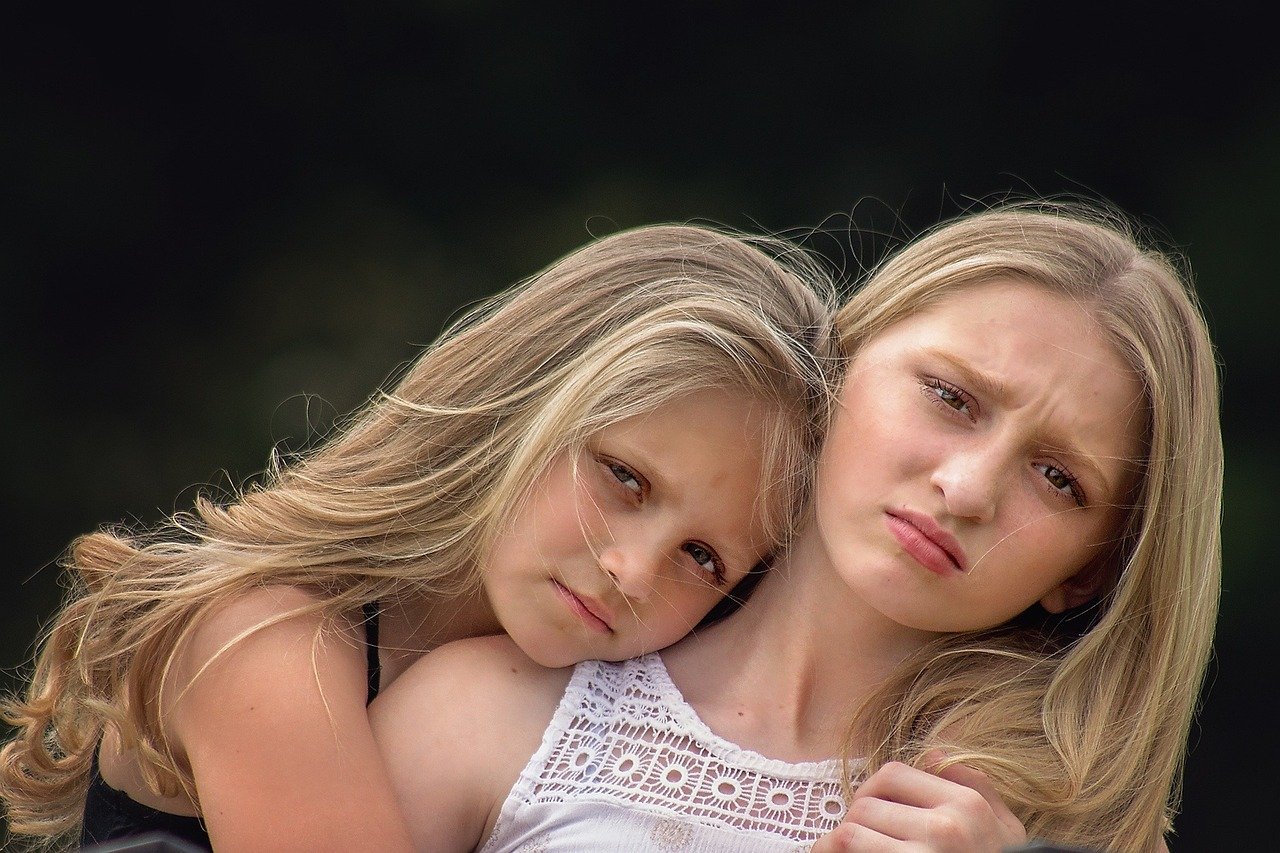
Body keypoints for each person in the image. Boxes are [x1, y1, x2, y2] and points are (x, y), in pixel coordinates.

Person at [369, 203, 1221, 852]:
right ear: (843, 367)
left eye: (1058, 478)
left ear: (1095, 567)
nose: (966, 488)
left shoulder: (1045, 832)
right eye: (951, 397)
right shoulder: (491, 713)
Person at [0, 225, 842, 851]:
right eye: (625, 478)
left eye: (703, 558)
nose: (631, 569)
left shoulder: (603, 706)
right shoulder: (264, 636)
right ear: (527, 402)